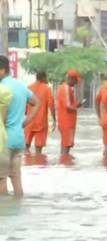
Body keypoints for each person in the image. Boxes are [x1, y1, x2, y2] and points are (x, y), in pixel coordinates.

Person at [0, 55, 40, 197]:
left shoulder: (2, 88)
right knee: (16, 179)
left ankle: (4, 213)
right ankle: (17, 211)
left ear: (2, 70)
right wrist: (26, 121)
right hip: (18, 139)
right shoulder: (21, 86)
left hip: (3, 141)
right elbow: (37, 102)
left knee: (1, 179)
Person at [25, 71, 56, 155]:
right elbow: (51, 106)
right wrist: (54, 120)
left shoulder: (28, 88)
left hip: (29, 122)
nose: (47, 79)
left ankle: (28, 166)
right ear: (43, 78)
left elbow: (24, 104)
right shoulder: (47, 89)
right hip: (41, 123)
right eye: (46, 77)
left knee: (25, 148)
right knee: (39, 151)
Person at [57, 69, 81, 158]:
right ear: (71, 78)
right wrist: (76, 106)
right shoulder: (65, 88)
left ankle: (64, 164)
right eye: (76, 80)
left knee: (65, 145)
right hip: (67, 122)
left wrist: (76, 105)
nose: (76, 83)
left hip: (66, 121)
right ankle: (65, 164)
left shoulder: (65, 88)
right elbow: (68, 106)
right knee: (66, 147)